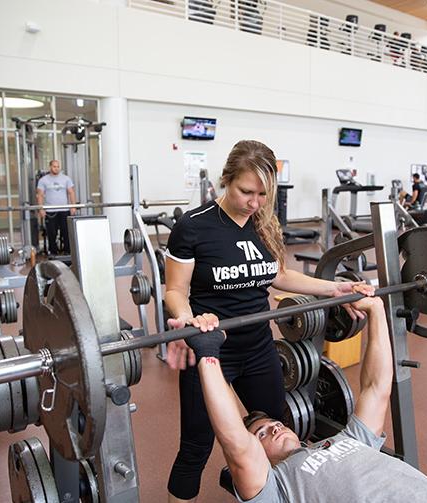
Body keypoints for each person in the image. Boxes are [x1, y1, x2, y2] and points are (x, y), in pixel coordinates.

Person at [164, 139, 372, 502]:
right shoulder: (193, 226)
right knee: (196, 446)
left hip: (259, 348)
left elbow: (279, 275)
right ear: (226, 180)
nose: (255, 203)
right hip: (214, 349)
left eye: (263, 194)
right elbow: (175, 290)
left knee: (279, 434)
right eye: (246, 191)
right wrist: (187, 320)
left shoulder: (263, 222)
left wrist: (334, 289)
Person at [182, 294, 427, 502]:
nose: (275, 427)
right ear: (259, 459)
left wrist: (375, 311)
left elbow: (376, 387)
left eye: (274, 424)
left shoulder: (348, 439)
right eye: (261, 433)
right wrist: (208, 354)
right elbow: (234, 442)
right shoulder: (276, 487)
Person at [36, 159, 76, 255]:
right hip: (50, 211)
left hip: (64, 210)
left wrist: (73, 206)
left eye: (58, 166)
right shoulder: (43, 180)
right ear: (50, 167)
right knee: (52, 233)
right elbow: (40, 195)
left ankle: (68, 252)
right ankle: (53, 253)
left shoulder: (66, 179)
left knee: (66, 232)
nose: (56, 168)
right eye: (54, 166)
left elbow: (71, 192)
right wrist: (41, 209)